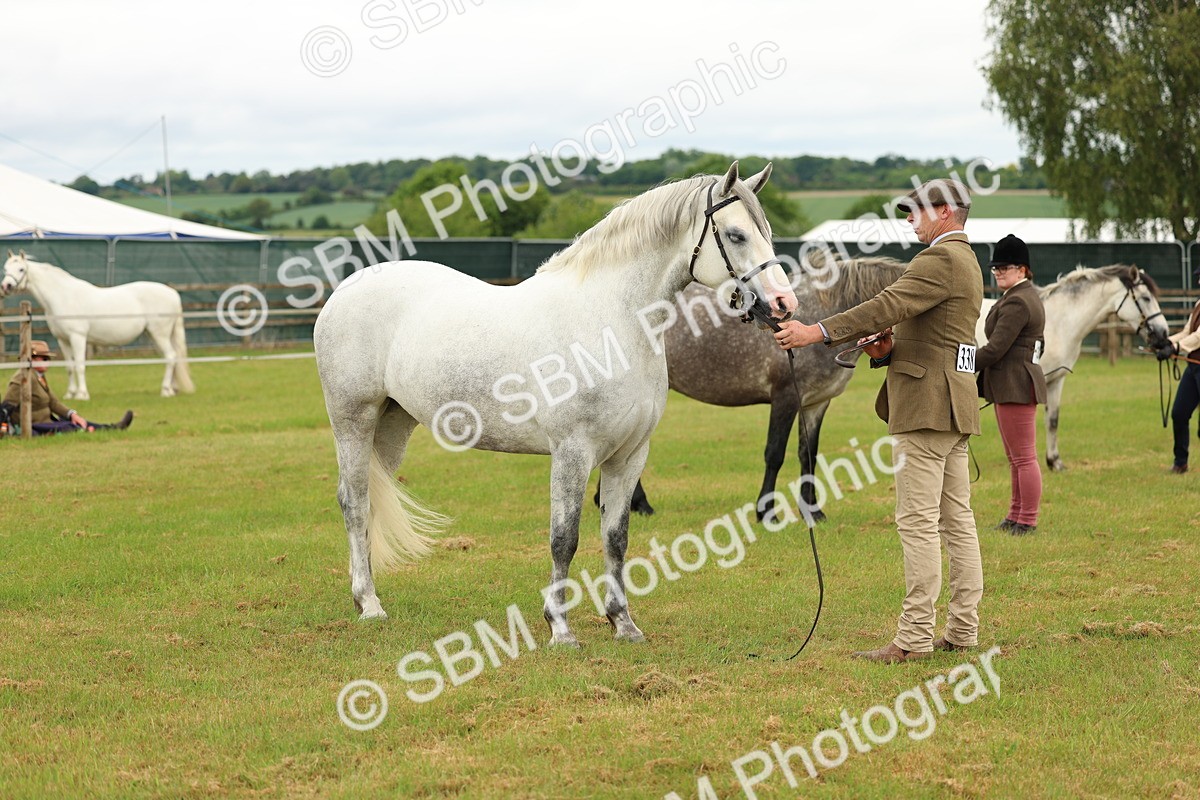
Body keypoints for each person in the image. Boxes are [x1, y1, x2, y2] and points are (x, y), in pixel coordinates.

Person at [774, 178, 984, 663]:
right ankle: (962, 630)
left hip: (927, 407)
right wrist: (889, 349)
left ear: (946, 211)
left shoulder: (938, 259)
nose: (909, 219)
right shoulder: (967, 260)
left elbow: (886, 305)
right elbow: (937, 334)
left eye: (916, 211)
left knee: (917, 523)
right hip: (953, 404)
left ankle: (912, 640)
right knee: (957, 522)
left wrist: (816, 331)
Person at [975, 234, 1047, 535]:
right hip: (1009, 382)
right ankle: (1015, 514)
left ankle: (1027, 519)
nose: (999, 272)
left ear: (1022, 269)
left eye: (1004, 267)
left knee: (1024, 457)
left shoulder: (1018, 301)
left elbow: (995, 348)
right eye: (996, 269)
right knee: (1015, 457)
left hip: (1015, 383)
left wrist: (959, 364)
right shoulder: (1017, 295)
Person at [1, 340, 132, 435]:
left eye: (46, 358)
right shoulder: (22, 378)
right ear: (30, 359)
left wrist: (72, 414)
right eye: (39, 358)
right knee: (69, 427)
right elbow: (7, 406)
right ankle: (87, 431)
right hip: (35, 425)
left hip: (47, 421)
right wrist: (5, 428)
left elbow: (53, 403)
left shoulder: (38, 376)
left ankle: (112, 428)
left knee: (76, 421)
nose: (44, 361)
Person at [1158, 270, 1200, 473]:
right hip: (1193, 367)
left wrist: (1175, 349)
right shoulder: (1199, 304)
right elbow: (1187, 332)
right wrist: (1167, 342)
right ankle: (1180, 462)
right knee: (1179, 413)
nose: (1199, 280)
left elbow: (1199, 337)